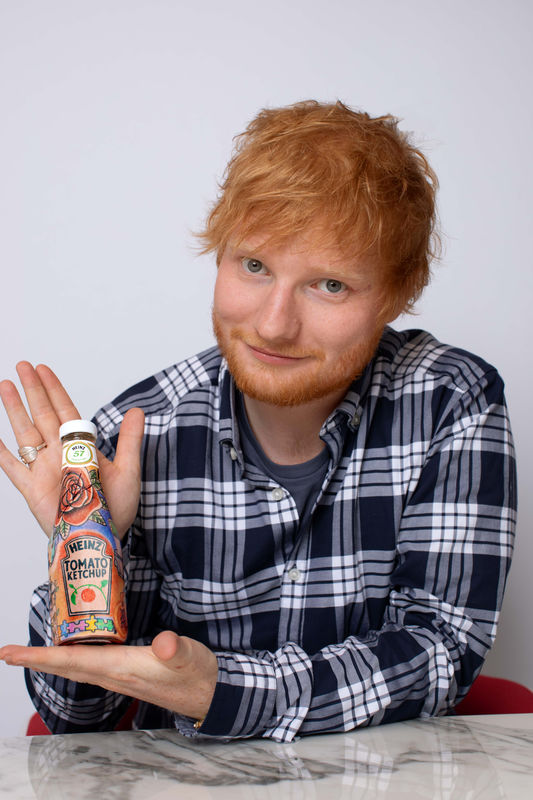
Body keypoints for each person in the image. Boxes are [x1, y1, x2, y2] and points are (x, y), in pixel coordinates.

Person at [0, 100, 516, 742]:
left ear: (399, 293)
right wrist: (87, 543)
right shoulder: (131, 437)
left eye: (329, 285)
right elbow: (74, 719)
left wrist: (223, 693)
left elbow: (438, 652)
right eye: (253, 265)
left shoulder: (451, 401)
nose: (273, 324)